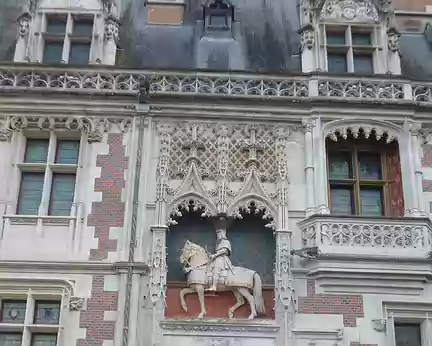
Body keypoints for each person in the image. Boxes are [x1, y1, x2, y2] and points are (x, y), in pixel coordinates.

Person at [206, 220, 233, 292]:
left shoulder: (226, 242)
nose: (218, 236)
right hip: (216, 258)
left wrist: (214, 255)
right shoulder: (218, 244)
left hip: (222, 259)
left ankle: (214, 286)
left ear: (222, 234)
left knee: (216, 270)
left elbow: (224, 251)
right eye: (217, 234)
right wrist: (211, 255)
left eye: (219, 234)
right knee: (208, 268)